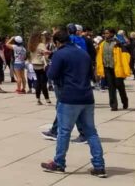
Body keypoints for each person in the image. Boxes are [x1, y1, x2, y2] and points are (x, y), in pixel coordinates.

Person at [41, 29, 107, 177]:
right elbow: (92, 75)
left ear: (57, 42)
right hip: (87, 96)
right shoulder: (83, 53)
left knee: (64, 132)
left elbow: (52, 75)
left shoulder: (60, 54)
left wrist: (48, 66)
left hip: (69, 97)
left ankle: (59, 162)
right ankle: (99, 165)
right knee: (91, 132)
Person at [95, 28, 131, 111]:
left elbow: (126, 55)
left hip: (117, 68)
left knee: (119, 85)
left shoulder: (118, 43)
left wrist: (126, 68)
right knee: (111, 87)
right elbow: (99, 55)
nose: (105, 35)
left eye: (107, 33)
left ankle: (124, 101)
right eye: (104, 33)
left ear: (112, 33)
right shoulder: (102, 44)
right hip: (107, 68)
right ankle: (113, 105)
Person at [29, 32, 50, 105]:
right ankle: (47, 99)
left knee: (38, 82)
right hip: (42, 65)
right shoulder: (41, 44)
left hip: (35, 64)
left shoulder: (31, 45)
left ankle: (38, 99)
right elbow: (46, 52)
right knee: (43, 83)